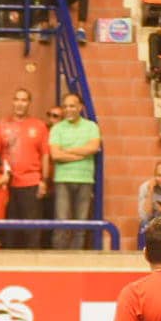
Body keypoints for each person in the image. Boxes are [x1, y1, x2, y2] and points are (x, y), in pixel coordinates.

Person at [0, 87, 51, 248]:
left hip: (31, 183)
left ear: (29, 103)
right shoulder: (1, 125)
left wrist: (44, 181)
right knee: (10, 231)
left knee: (32, 231)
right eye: (17, 99)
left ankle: (33, 262)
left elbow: (45, 155)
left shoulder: (39, 126)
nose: (20, 103)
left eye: (24, 100)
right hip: (7, 185)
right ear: (13, 102)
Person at [48, 92, 100, 249]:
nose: (68, 109)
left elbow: (93, 147)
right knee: (61, 223)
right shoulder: (57, 128)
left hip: (85, 180)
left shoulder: (91, 127)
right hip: (63, 180)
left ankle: (77, 257)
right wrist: (81, 154)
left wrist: (67, 151)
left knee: (81, 224)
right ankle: (59, 258)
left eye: (72, 106)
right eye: (65, 106)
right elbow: (56, 155)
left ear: (80, 107)